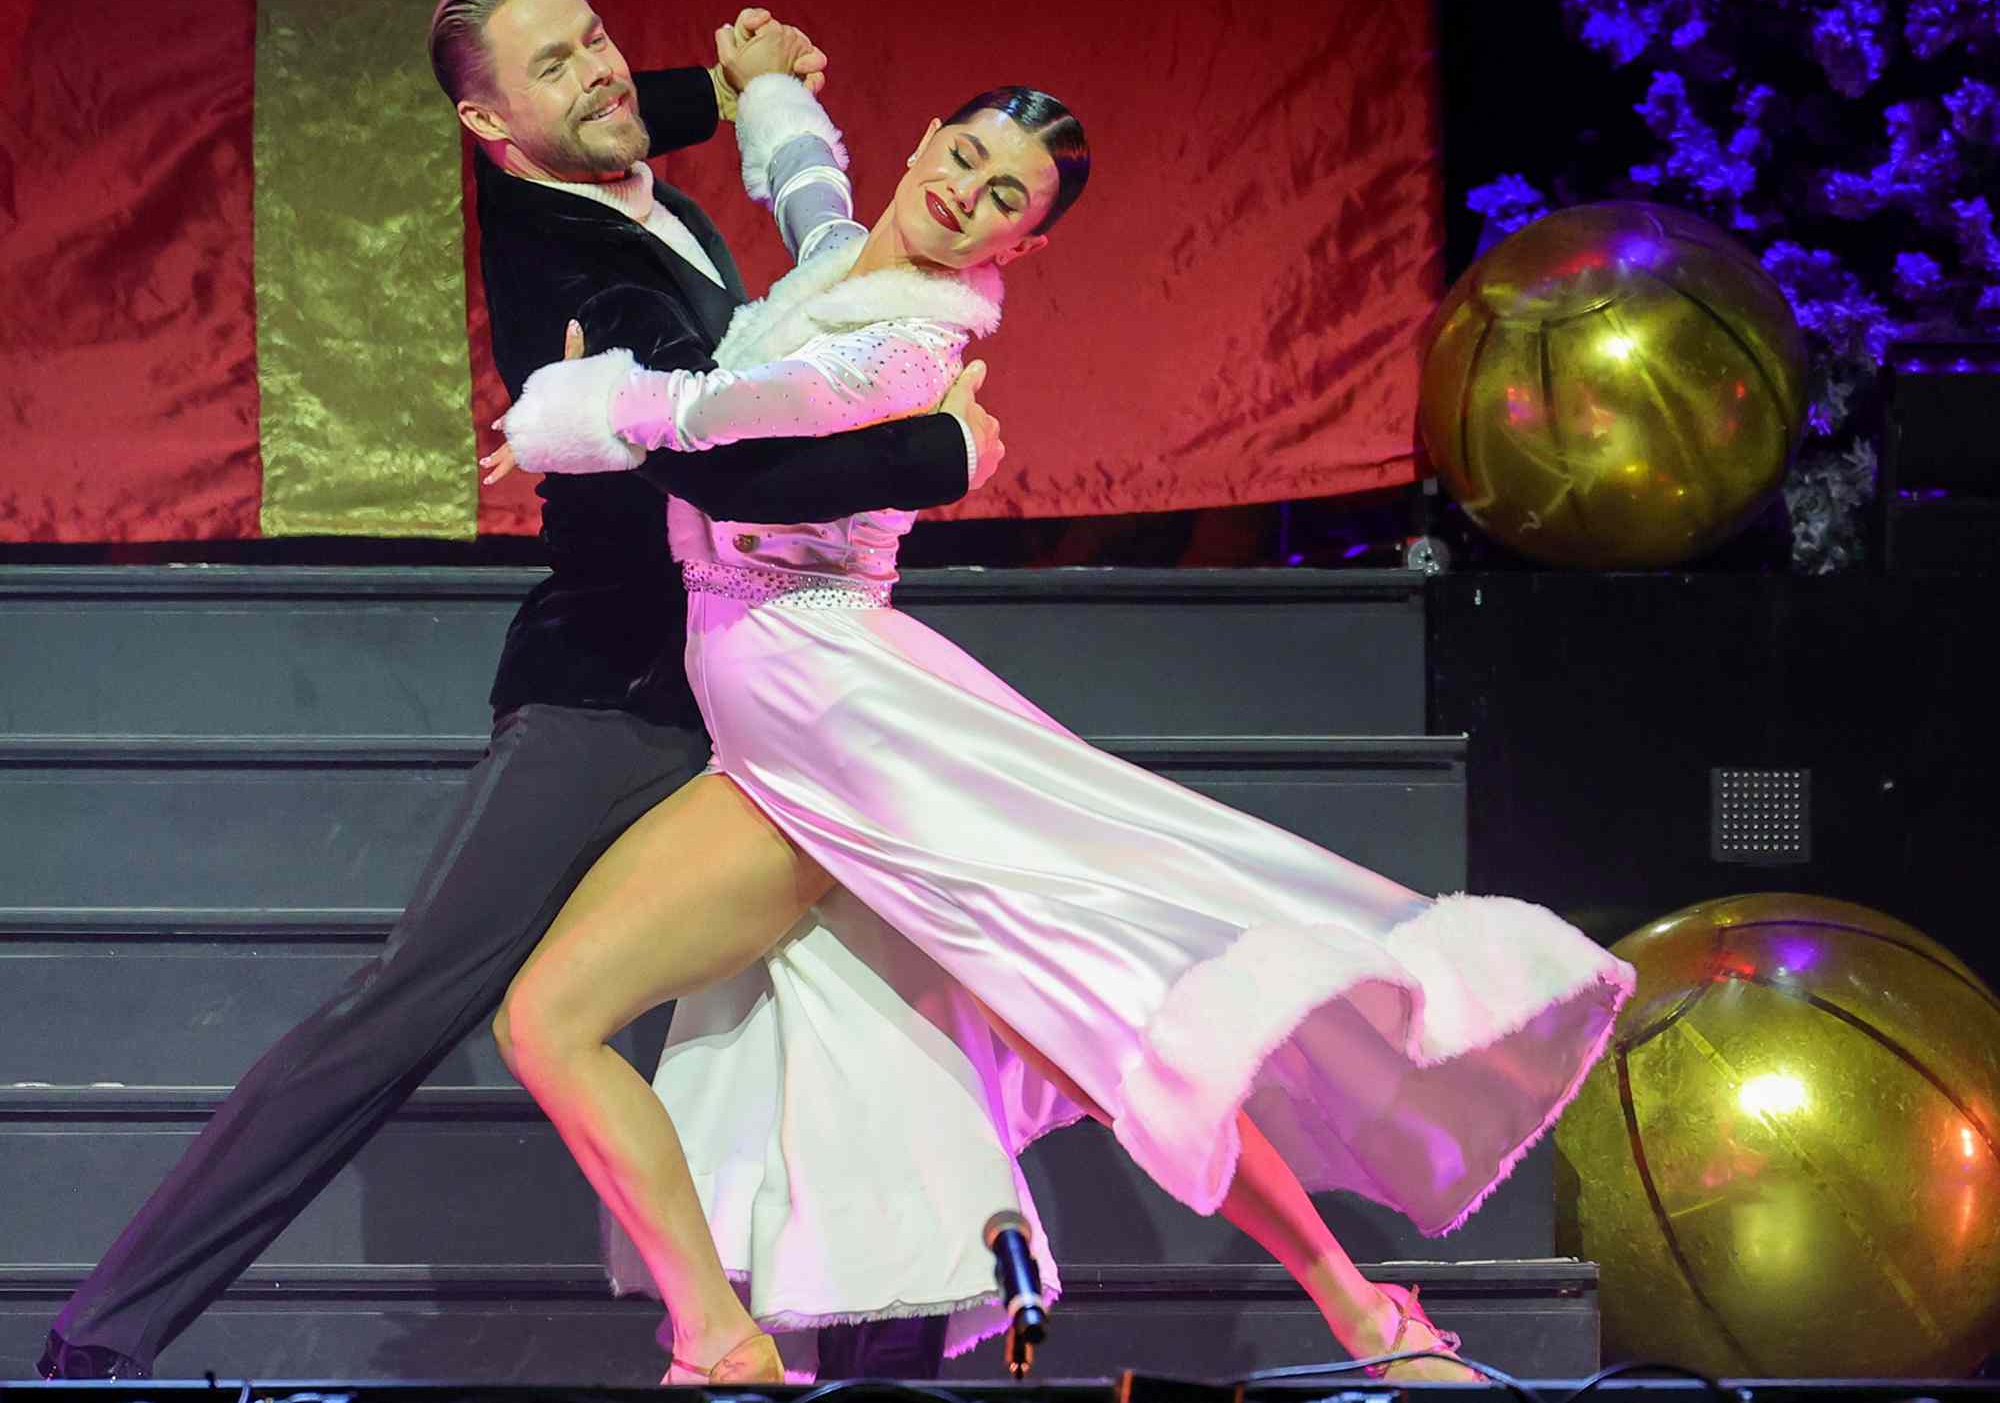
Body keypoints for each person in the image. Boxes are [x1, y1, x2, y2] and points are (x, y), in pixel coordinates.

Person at [492, 73, 1638, 1385]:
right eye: (961, 154)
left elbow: (719, 435)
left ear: (1018, 244)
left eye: (1001, 197)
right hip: (787, 730)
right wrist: (773, 104)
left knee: (1100, 1010)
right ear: (920, 137)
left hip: (834, 732)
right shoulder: (841, 276)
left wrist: (576, 417)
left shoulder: (908, 351)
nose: (963, 193)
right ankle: (1361, 1312)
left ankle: (722, 1339)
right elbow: (817, 212)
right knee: (1088, 1028)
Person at [35, 0, 997, 1384]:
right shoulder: (578, 268)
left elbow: (618, 116)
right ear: (490, 133)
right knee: (413, 1000)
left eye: (595, 40)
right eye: (554, 67)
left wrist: (726, 84)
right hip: (612, 692)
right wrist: (945, 453)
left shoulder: (593, 171)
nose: (601, 71)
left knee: (838, 991)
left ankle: (857, 1337)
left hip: (737, 681)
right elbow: (737, 456)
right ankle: (97, 1342)